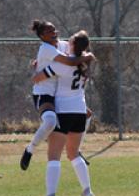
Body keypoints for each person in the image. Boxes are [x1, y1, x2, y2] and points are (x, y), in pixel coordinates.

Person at [31, 30, 95, 196]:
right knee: (73, 153)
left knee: (54, 155)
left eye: (70, 42)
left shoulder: (63, 65)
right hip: (80, 112)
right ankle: (87, 191)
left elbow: (37, 78)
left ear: (73, 45)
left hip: (63, 112)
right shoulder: (84, 65)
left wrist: (36, 69)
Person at [20, 20, 94, 170]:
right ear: (41, 36)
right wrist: (87, 57)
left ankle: (76, 149)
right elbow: (69, 60)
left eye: (54, 30)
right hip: (44, 93)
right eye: (49, 32)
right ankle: (30, 150)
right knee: (50, 121)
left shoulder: (61, 44)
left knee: (86, 114)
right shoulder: (46, 48)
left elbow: (76, 48)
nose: (54, 33)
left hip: (59, 95)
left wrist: (86, 53)